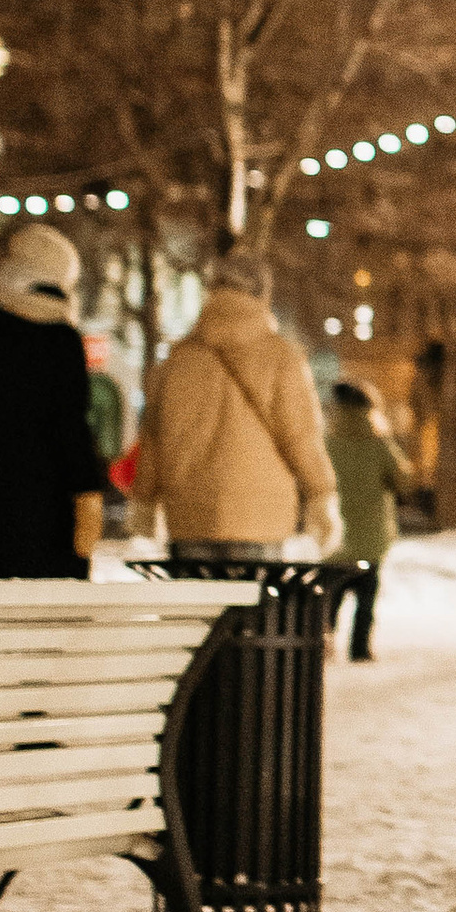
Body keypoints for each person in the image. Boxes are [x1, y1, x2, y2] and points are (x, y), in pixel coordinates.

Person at [132, 258, 340, 566]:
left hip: (189, 520)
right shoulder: (282, 358)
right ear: (263, 295)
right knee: (251, 612)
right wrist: (322, 496)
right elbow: (301, 437)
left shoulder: (177, 362)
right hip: (260, 521)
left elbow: (153, 443)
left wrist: (144, 502)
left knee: (197, 613)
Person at [0, 220, 108, 578]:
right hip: (50, 503)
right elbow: (70, 423)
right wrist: (87, 490)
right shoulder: (61, 342)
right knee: (49, 615)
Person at [325, 379, 410, 660]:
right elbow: (404, 481)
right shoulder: (379, 444)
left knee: (331, 592)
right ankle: (360, 647)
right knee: (366, 595)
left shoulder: (327, 444)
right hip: (372, 532)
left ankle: (324, 642)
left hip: (336, 531)